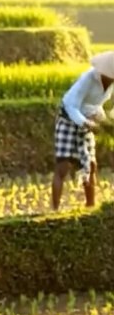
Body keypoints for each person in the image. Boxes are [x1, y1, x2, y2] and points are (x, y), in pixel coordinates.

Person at [52, 50, 114, 210]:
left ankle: (90, 206)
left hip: (88, 121)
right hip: (68, 120)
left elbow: (96, 104)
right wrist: (85, 122)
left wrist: (101, 118)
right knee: (63, 166)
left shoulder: (110, 83)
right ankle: (55, 209)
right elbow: (71, 105)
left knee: (90, 165)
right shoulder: (88, 79)